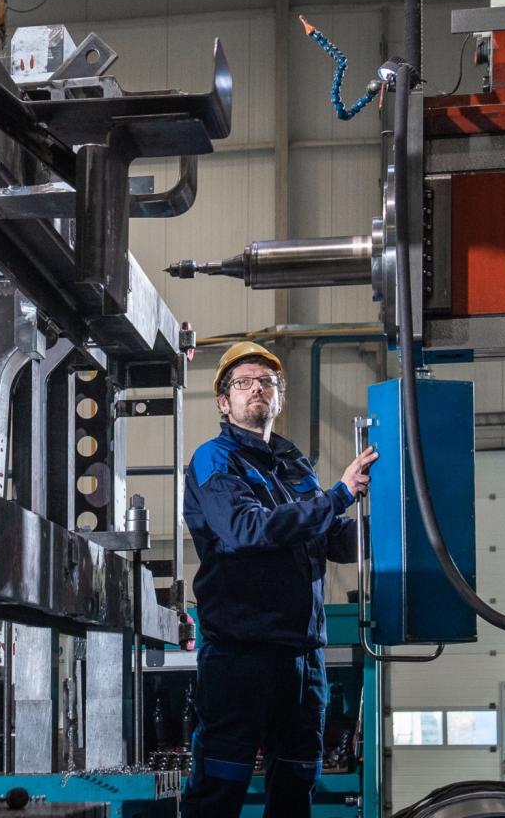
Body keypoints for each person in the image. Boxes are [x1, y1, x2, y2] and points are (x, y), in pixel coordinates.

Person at [179, 341, 377, 818]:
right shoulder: (214, 460)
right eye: (242, 383)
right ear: (224, 402)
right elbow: (245, 530)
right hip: (240, 657)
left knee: (295, 790)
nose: (256, 389)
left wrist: (392, 525)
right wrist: (339, 495)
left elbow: (331, 538)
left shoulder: (294, 464)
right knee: (219, 792)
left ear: (279, 397)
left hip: (303, 660)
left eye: (266, 382)